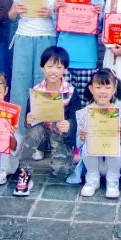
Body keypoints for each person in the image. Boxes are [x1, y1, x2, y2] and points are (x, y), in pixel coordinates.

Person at [8, 0, 60, 130]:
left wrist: (51, 13)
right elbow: (10, 16)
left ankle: (42, 133)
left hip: (46, 38)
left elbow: (63, 19)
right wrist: (16, 9)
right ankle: (19, 131)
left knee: (43, 81)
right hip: (24, 37)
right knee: (20, 81)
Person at [18, 46, 80, 193]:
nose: (54, 71)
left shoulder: (71, 92)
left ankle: (58, 159)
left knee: (62, 172)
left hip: (59, 133)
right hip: (41, 131)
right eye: (50, 66)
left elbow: (76, 116)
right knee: (33, 132)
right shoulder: (36, 91)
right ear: (42, 68)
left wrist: (69, 124)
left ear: (65, 69)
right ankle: (24, 172)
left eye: (59, 67)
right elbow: (28, 118)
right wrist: (28, 119)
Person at [71, 68, 121, 198]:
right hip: (92, 162)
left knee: (116, 146)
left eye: (107, 87)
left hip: (113, 163)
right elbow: (78, 145)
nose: (103, 91)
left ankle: (112, 181)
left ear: (114, 89)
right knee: (88, 145)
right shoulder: (85, 113)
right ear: (91, 89)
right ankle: (92, 180)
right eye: (98, 87)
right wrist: (82, 137)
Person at [53, 0, 105, 98]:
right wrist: (56, 10)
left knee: (85, 101)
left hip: (87, 56)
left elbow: (100, 28)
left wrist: (98, 15)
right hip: (64, 55)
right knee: (63, 101)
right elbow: (54, 25)